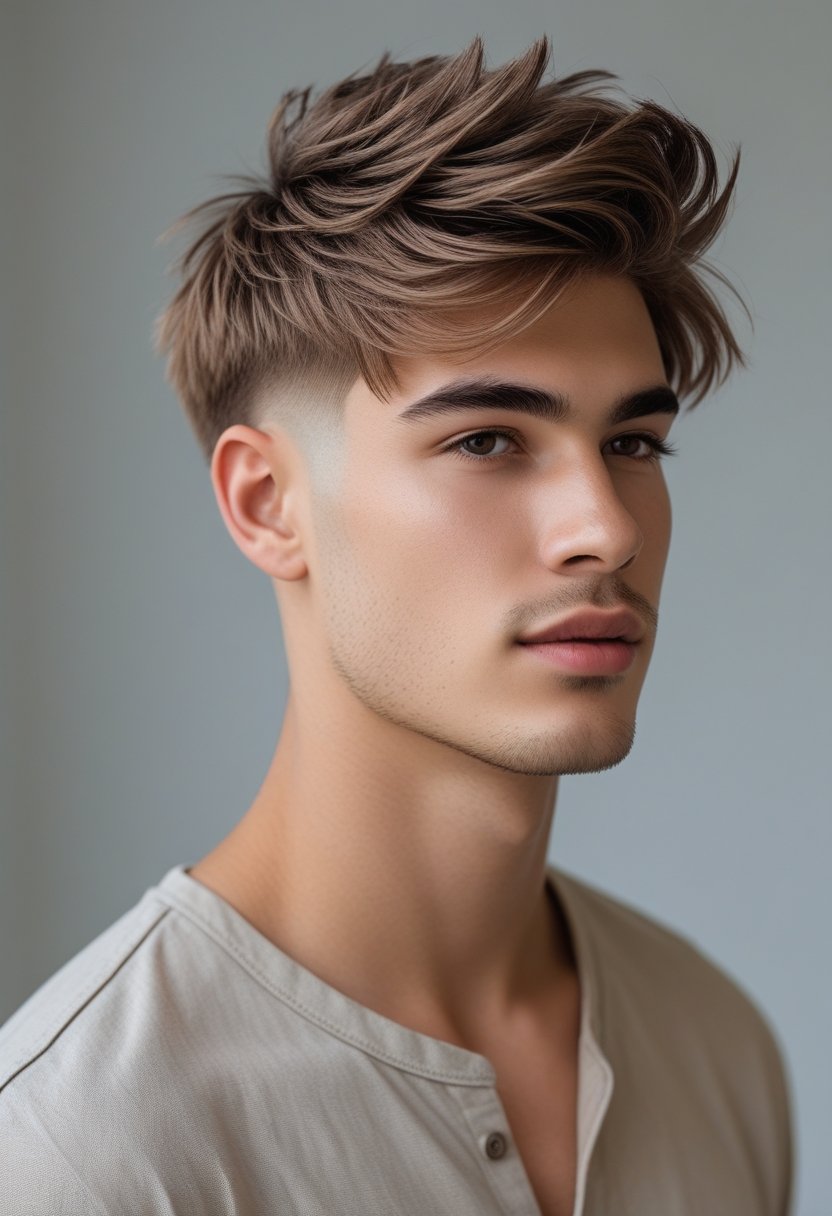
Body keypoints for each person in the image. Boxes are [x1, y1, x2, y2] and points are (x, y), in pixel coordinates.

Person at [0, 35, 794, 1216]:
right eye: (487, 440)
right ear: (267, 504)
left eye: (631, 442)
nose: (604, 529)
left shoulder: (715, 1043)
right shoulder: (87, 1147)